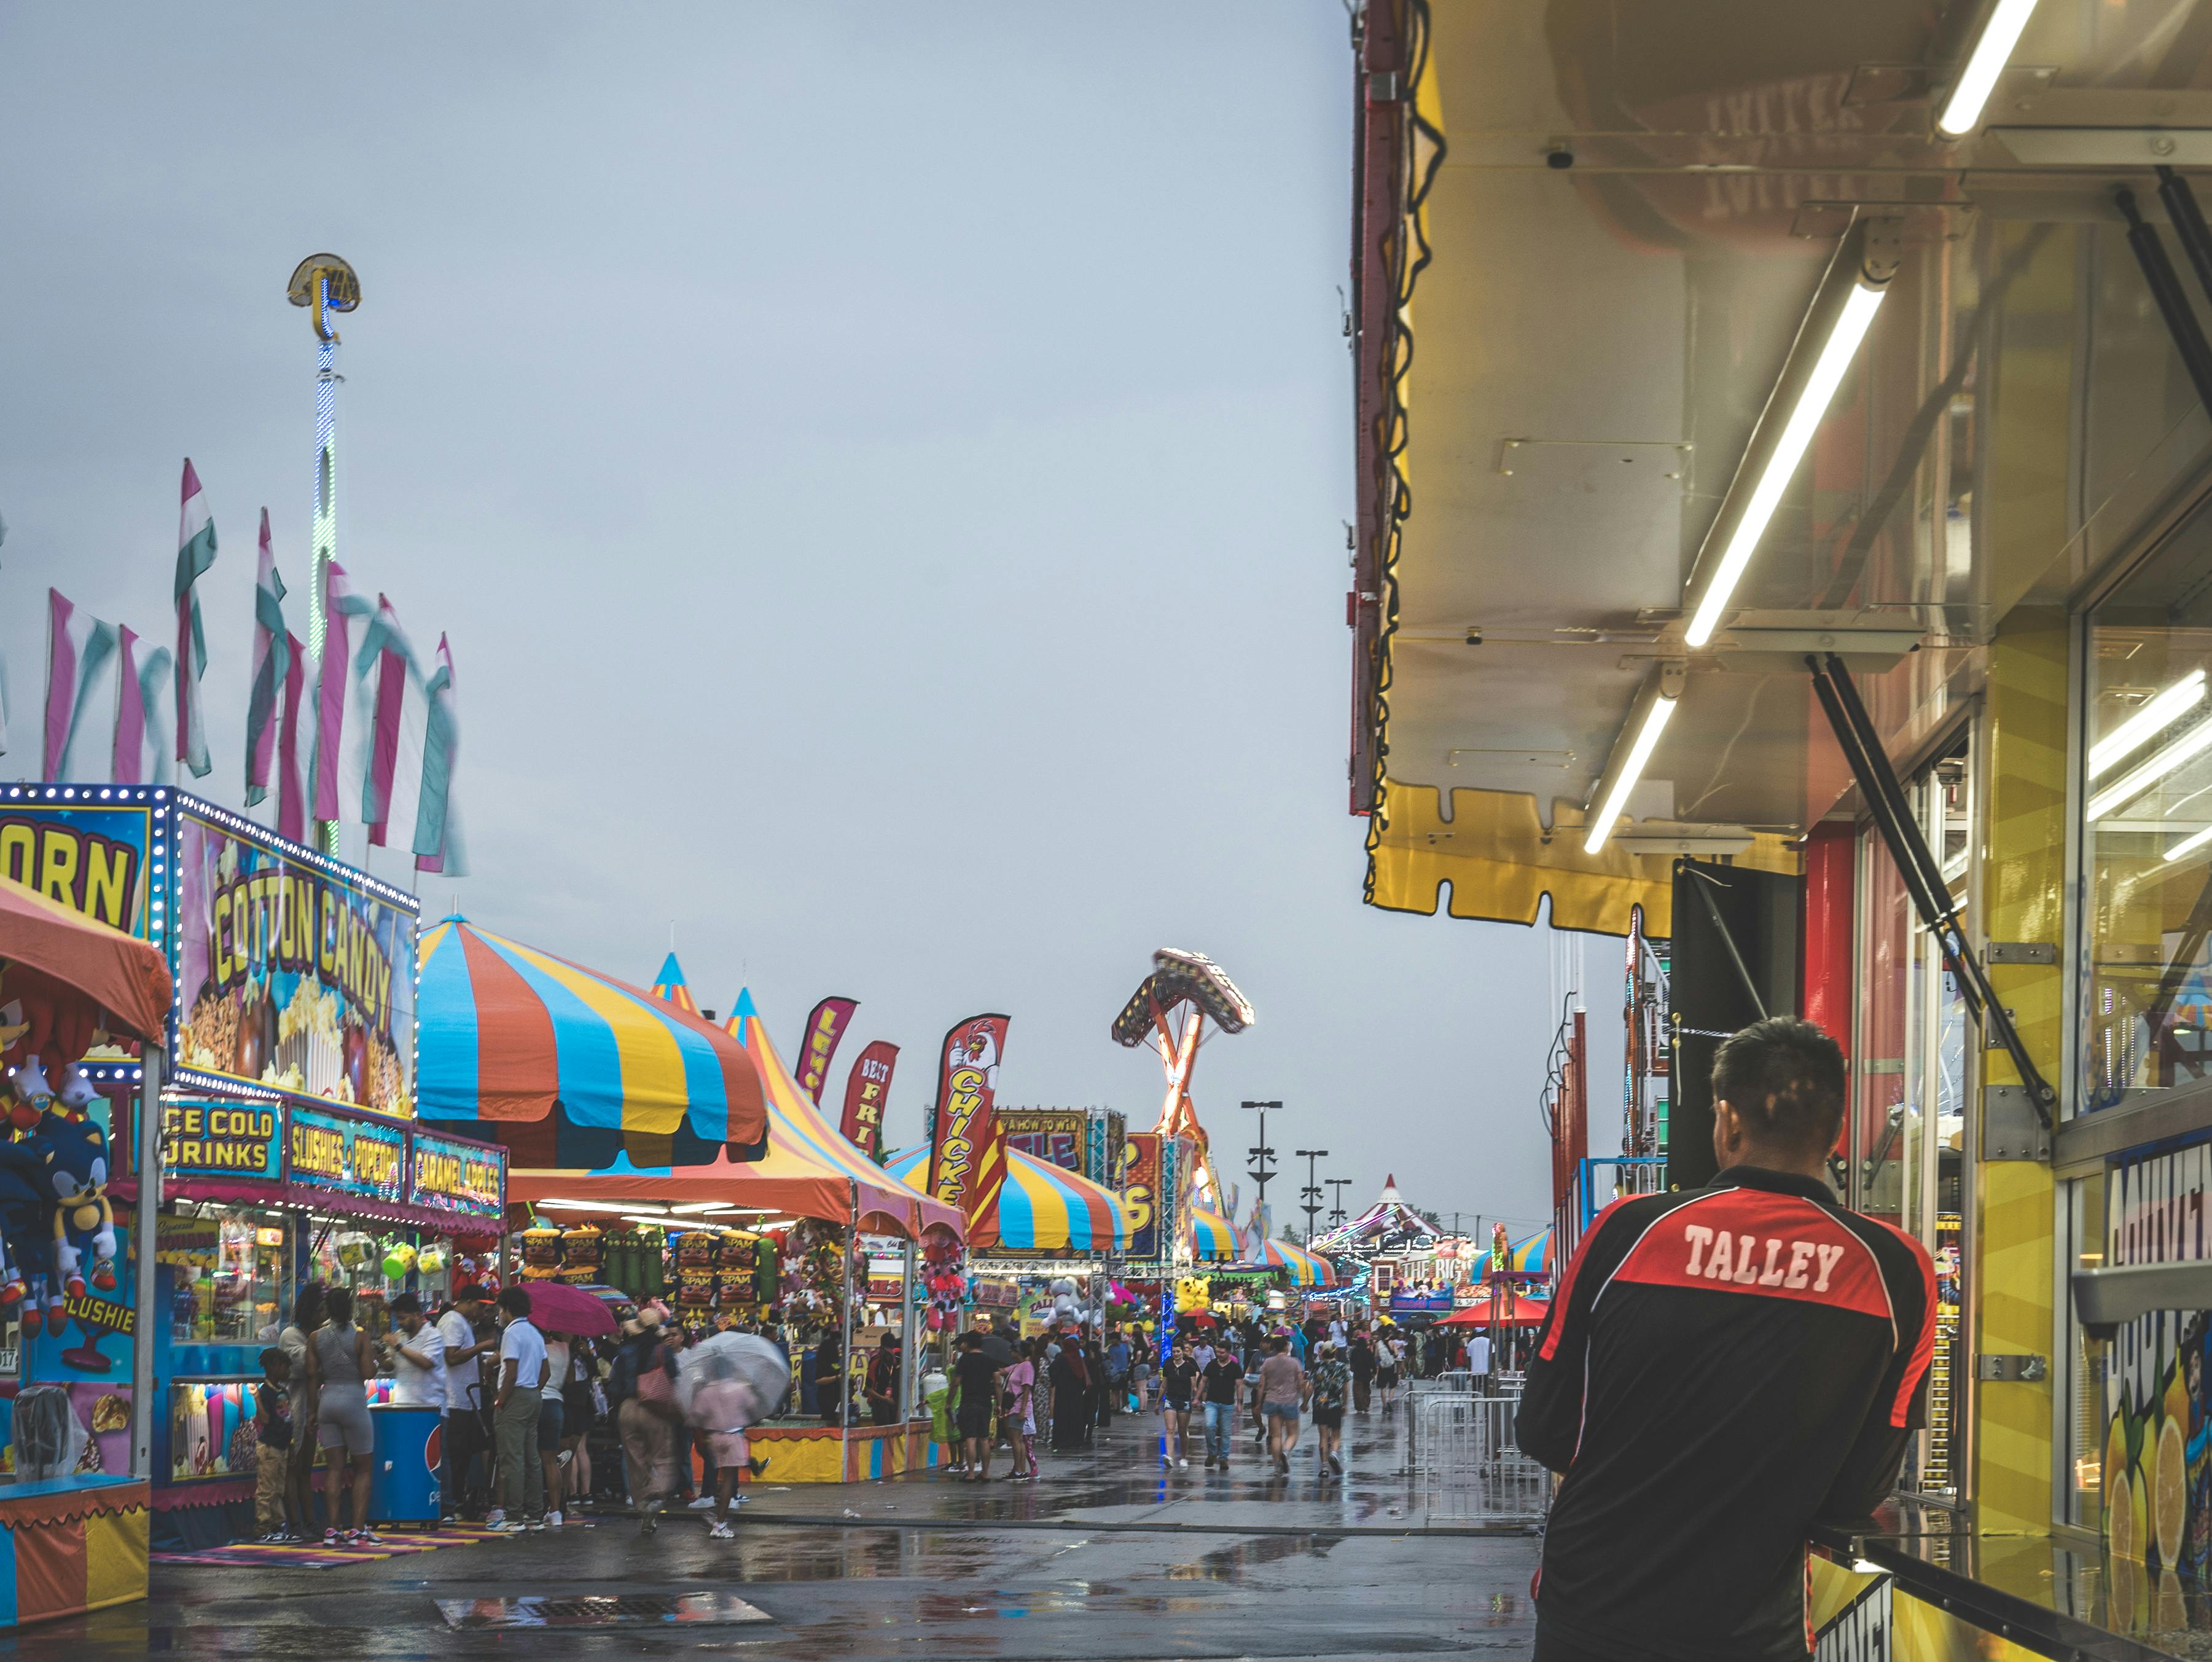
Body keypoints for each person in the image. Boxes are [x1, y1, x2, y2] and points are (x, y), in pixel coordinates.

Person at [1518, 1017, 1936, 1662]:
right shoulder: (1895, 1271)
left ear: (1727, 1120)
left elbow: (1545, 1430)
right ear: (1837, 1131)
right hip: (1749, 1630)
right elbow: (1858, 1491)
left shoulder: (1626, 1232)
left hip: (1591, 1609)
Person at [306, 1286, 378, 1545]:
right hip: (354, 1402)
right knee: (363, 1468)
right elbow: (369, 1373)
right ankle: (357, 1528)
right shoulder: (361, 1337)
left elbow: (312, 1375)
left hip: (327, 1403)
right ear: (350, 1309)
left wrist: (312, 1411)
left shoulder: (315, 1337)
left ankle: (333, 1528)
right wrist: (375, 1360)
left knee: (333, 1468)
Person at [610, 1306, 682, 1534]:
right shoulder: (664, 1352)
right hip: (655, 1410)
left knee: (635, 1461)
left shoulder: (624, 1353)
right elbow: (675, 1380)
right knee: (662, 1457)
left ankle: (644, 1511)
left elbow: (614, 1386)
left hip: (628, 1409)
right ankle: (657, 1493)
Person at [490, 1287, 549, 1531]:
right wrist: (534, 1389)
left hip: (515, 1396)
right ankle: (535, 1514)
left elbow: (511, 1372)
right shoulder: (535, 1333)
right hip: (534, 1395)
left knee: (512, 1457)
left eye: (500, 1309)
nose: (499, 1314)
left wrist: (501, 1400)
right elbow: (546, 1371)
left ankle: (514, 1516)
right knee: (531, 1457)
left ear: (507, 1309)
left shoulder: (512, 1334)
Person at [437, 1286, 496, 1521]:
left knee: (464, 1453)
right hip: (454, 1400)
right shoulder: (452, 1321)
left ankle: (460, 1501)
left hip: (466, 1400)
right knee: (455, 1454)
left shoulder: (462, 1323)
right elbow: (450, 1357)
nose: (482, 1312)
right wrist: (483, 1346)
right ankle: (451, 1503)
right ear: (469, 1302)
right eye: (480, 1306)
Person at [277, 1284, 326, 1539]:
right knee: (292, 1470)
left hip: (310, 1412)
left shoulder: (315, 1337)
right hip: (292, 1413)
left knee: (306, 1469)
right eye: (320, 1310)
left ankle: (310, 1522)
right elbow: (306, 1366)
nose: (324, 1315)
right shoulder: (290, 1335)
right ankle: (295, 1524)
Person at [253, 1347, 297, 1542]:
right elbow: (265, 1419)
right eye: (285, 1367)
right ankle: (263, 1528)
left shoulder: (283, 1392)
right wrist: (256, 1398)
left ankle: (278, 1526)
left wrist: (292, 1445)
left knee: (278, 1489)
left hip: (283, 1447)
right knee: (266, 1490)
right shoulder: (265, 1392)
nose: (288, 1371)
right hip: (269, 1447)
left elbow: (287, 1420)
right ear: (273, 1366)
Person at [1254, 1334, 1307, 1475]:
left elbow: (1261, 1385)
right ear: (1287, 1346)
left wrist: (1259, 1403)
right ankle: (1286, 1451)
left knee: (1276, 1436)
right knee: (1293, 1434)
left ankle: (1277, 1467)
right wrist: (1305, 1401)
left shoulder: (1268, 1363)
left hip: (1272, 1401)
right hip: (1290, 1401)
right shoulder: (1295, 1363)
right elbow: (1301, 1384)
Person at [952, 1331, 999, 1481]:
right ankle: (985, 1473)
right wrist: (999, 1403)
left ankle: (971, 1473)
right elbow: (997, 1382)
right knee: (984, 1438)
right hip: (985, 1403)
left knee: (970, 1439)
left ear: (968, 1343)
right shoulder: (990, 1360)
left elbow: (956, 1382)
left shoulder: (964, 1360)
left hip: (968, 1402)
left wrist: (949, 1401)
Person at [561, 1339, 598, 1513]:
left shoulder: (561, 1346)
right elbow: (595, 1370)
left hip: (569, 1399)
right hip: (584, 1399)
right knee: (581, 1448)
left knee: (571, 1447)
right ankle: (586, 1492)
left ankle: (574, 1492)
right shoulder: (585, 1345)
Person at [1198, 1342, 1244, 1470]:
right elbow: (1203, 1381)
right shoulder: (1212, 1365)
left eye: (1222, 1352)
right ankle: (1212, 1452)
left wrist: (1240, 1403)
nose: (1219, 1354)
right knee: (1209, 1426)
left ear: (1229, 1352)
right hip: (1211, 1402)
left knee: (1226, 1432)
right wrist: (1197, 1397)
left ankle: (1224, 1458)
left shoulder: (1235, 1367)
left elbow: (1240, 1385)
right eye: (1218, 1352)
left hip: (1227, 1404)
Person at [1049, 1328, 1093, 1456]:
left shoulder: (1063, 1359)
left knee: (1063, 1416)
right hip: (1077, 1393)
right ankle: (1076, 1439)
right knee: (1076, 1415)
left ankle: (1063, 1440)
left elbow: (1052, 1371)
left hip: (1063, 1393)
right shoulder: (1079, 1358)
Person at [1308, 1341, 1349, 1476]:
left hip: (1319, 1404)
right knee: (1336, 1434)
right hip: (1335, 1404)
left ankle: (1324, 1467)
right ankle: (1334, 1453)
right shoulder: (1342, 1367)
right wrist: (1345, 1404)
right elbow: (1345, 1388)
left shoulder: (1317, 1367)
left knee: (1323, 1437)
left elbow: (1310, 1386)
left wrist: (1304, 1403)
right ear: (1335, 1352)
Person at [1001, 1338, 1037, 1480]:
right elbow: (1002, 1372)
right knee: (1018, 1440)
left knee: (1016, 1440)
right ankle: (1019, 1469)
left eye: (1013, 1350)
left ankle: (1019, 1470)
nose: (1010, 1352)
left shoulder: (1027, 1366)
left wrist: (1022, 1410)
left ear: (1019, 1352)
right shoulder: (1017, 1366)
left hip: (1020, 1407)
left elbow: (1027, 1387)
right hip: (1016, 1407)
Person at [1157, 1339, 1197, 1469]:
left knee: (1182, 1431)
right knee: (1170, 1430)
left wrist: (1196, 1397)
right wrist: (1158, 1402)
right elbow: (1164, 1385)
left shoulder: (1190, 1367)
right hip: (1170, 1399)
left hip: (1185, 1401)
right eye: (1174, 1352)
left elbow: (1193, 1386)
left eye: (1178, 1351)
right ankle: (1169, 1456)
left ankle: (1184, 1457)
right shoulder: (1168, 1366)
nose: (1176, 1354)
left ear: (1183, 1352)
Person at [866, 1335, 901, 1426]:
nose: (889, 1354)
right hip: (879, 1404)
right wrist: (884, 1399)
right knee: (881, 1432)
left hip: (895, 1405)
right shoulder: (876, 1362)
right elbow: (868, 1388)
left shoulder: (898, 1362)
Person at [1348, 1330, 1376, 1414]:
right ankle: (1366, 1405)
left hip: (1357, 1374)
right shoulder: (1368, 1352)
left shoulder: (1354, 1352)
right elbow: (1373, 1363)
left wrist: (1352, 1369)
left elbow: (1352, 1362)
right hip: (1367, 1374)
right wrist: (1374, 1372)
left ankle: (1359, 1407)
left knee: (1357, 1391)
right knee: (1366, 1390)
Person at [1375, 1327, 1402, 1411]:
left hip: (1382, 1368)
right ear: (1389, 1334)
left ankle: (1384, 1406)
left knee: (1383, 1388)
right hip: (1391, 1367)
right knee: (1392, 1386)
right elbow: (1397, 1354)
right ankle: (1389, 1400)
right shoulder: (1392, 1343)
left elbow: (1376, 1356)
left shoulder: (1378, 1344)